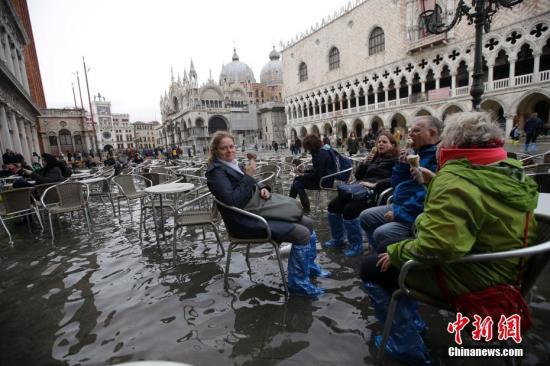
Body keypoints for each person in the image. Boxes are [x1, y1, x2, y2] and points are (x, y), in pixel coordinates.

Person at [360, 111, 538, 363]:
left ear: (453, 142)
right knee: (388, 244)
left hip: (473, 274)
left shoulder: (455, 178)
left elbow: (439, 246)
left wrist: (397, 252)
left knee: (372, 267)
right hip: (508, 269)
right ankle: (412, 323)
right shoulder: (510, 169)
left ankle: (405, 345)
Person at [206, 131, 328, 297]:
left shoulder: (232, 164)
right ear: (215, 151)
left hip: (256, 210)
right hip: (244, 222)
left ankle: (310, 267)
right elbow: (233, 201)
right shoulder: (215, 173)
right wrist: (248, 176)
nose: (229, 151)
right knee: (302, 233)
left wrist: (263, 188)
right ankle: (298, 285)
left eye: (231, 146)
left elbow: (253, 183)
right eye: (223, 148)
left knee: (307, 222)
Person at [359, 116, 441, 254]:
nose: (410, 135)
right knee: (365, 216)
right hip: (399, 204)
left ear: (432, 133)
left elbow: (425, 194)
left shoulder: (437, 157)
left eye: (416, 131)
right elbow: (396, 183)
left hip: (416, 213)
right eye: (410, 131)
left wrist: (399, 214)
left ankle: (391, 259)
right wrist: (401, 164)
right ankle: (378, 254)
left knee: (381, 233)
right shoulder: (415, 153)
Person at [323, 132, 399, 256]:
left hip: (376, 193)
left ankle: (356, 244)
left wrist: (376, 185)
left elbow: (395, 179)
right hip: (360, 188)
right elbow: (358, 176)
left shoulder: (396, 160)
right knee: (333, 205)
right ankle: (338, 239)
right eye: (379, 142)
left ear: (393, 145)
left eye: (384, 142)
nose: (380, 144)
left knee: (349, 210)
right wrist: (365, 162)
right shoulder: (375, 158)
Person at [289, 134, 336, 214]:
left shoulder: (320, 155)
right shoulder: (319, 152)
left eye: (308, 148)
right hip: (323, 178)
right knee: (297, 180)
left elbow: (318, 174)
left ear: (311, 146)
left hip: (324, 181)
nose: (308, 150)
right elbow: (317, 170)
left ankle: (305, 208)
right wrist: (304, 171)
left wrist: (303, 175)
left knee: (297, 183)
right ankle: (290, 202)